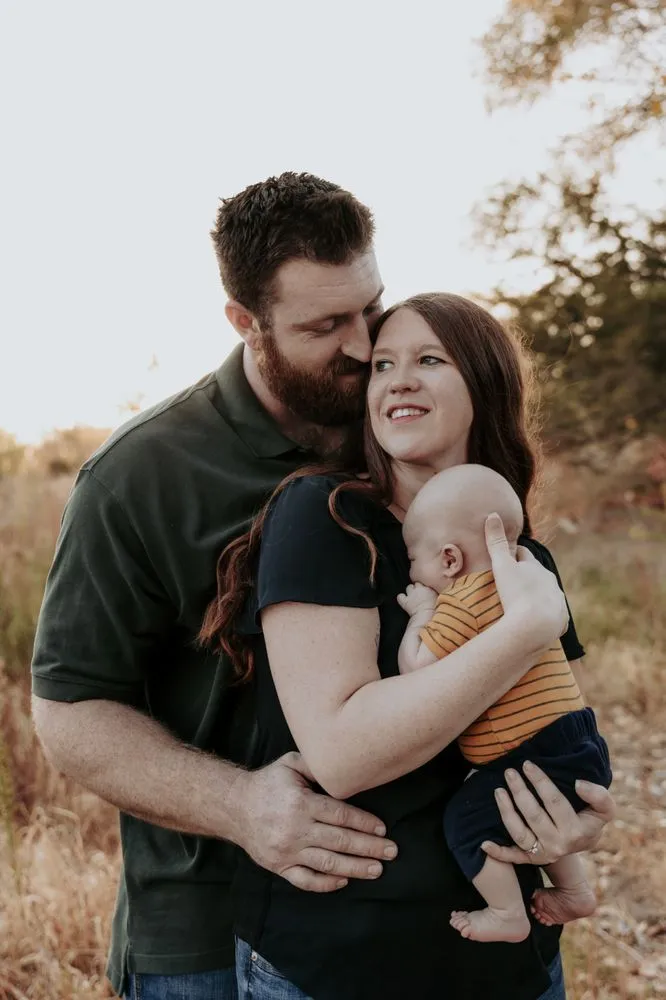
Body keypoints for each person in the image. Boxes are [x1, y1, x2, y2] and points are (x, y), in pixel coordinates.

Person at [30, 174, 613, 1000]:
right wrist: (240, 806)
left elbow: (532, 698)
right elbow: (68, 710)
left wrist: (567, 810)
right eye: (325, 325)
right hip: (217, 911)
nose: (360, 347)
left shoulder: (393, 428)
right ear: (246, 323)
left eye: (369, 310)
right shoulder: (143, 475)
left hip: (450, 906)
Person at [200, 292, 612, 1000]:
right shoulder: (327, 516)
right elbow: (344, 754)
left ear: (484, 385)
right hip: (345, 960)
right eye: (383, 365)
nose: (398, 379)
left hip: (513, 969)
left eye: (429, 360)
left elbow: (552, 717)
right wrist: (519, 633)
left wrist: (577, 823)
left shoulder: (521, 555)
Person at [397, 463, 612, 944]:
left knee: (468, 822)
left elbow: (416, 668)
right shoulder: (524, 581)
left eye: (414, 559)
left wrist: (423, 613)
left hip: (531, 749)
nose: (412, 570)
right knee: (546, 807)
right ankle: (574, 890)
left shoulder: (464, 600)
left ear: (449, 559)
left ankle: (506, 913)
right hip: (579, 739)